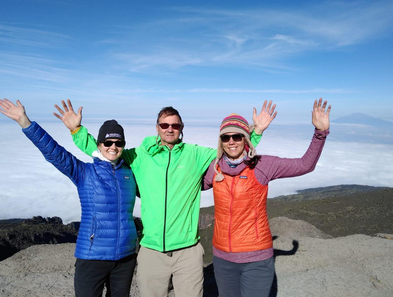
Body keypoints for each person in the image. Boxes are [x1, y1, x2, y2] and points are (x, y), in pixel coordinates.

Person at [53, 99, 277, 297]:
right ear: (157, 128)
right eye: (165, 125)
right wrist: (77, 131)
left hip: (187, 250)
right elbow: (109, 150)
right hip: (151, 250)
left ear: (181, 128)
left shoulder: (195, 154)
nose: (170, 129)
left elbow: (232, 150)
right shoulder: (141, 155)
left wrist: (256, 132)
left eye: (175, 125)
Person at [0, 99, 138, 297]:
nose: (113, 147)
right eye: (107, 142)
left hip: (125, 258)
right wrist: (26, 123)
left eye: (118, 143)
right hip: (92, 257)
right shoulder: (85, 173)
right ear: (99, 145)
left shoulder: (130, 174)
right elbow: (54, 153)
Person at [201, 98, 331, 297]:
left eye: (237, 136)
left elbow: (305, 165)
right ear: (221, 141)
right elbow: (192, 187)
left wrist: (320, 133)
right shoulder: (215, 168)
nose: (231, 141)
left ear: (245, 138)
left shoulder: (263, 165)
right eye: (226, 138)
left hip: (256, 259)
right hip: (223, 258)